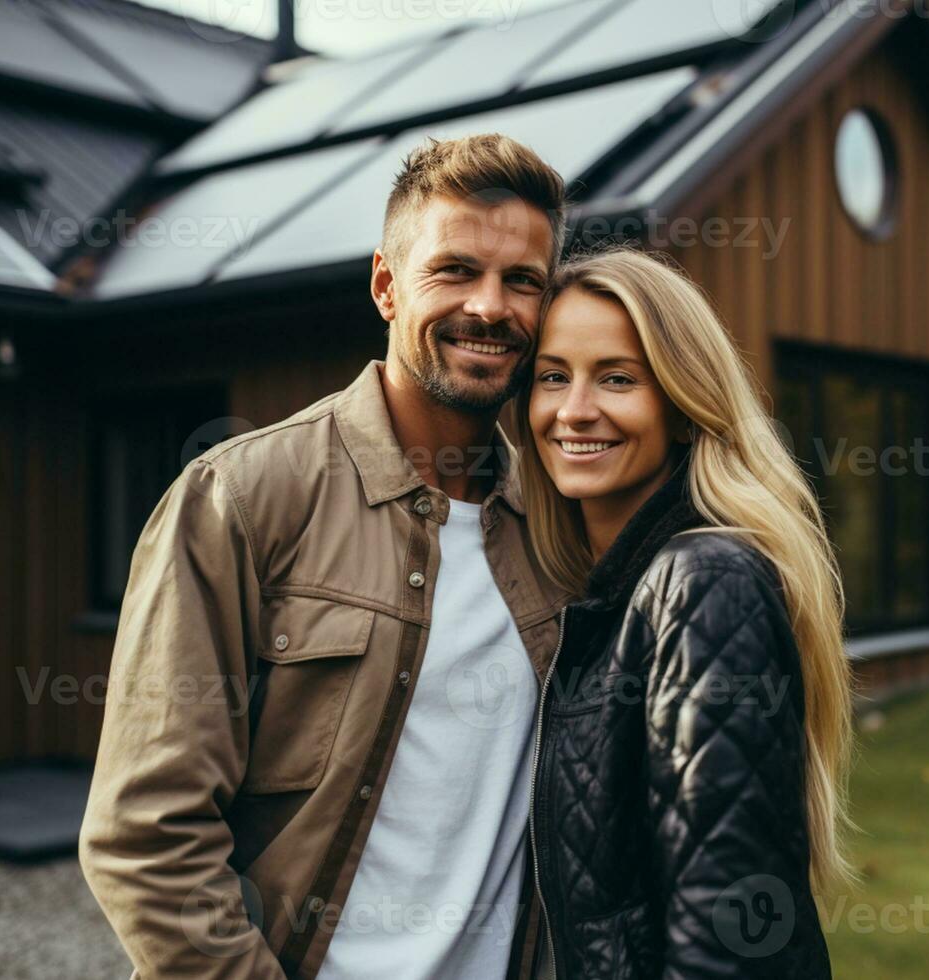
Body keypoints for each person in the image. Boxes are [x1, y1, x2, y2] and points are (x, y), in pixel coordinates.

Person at [79, 134, 572, 979]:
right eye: (454, 270)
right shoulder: (240, 498)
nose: (491, 307)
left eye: (522, 280)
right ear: (385, 284)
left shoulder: (559, 532)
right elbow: (146, 837)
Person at [516, 246, 855, 979]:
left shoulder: (701, 583)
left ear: (679, 404)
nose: (573, 410)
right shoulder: (616, 591)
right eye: (551, 377)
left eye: (615, 378)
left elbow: (725, 936)